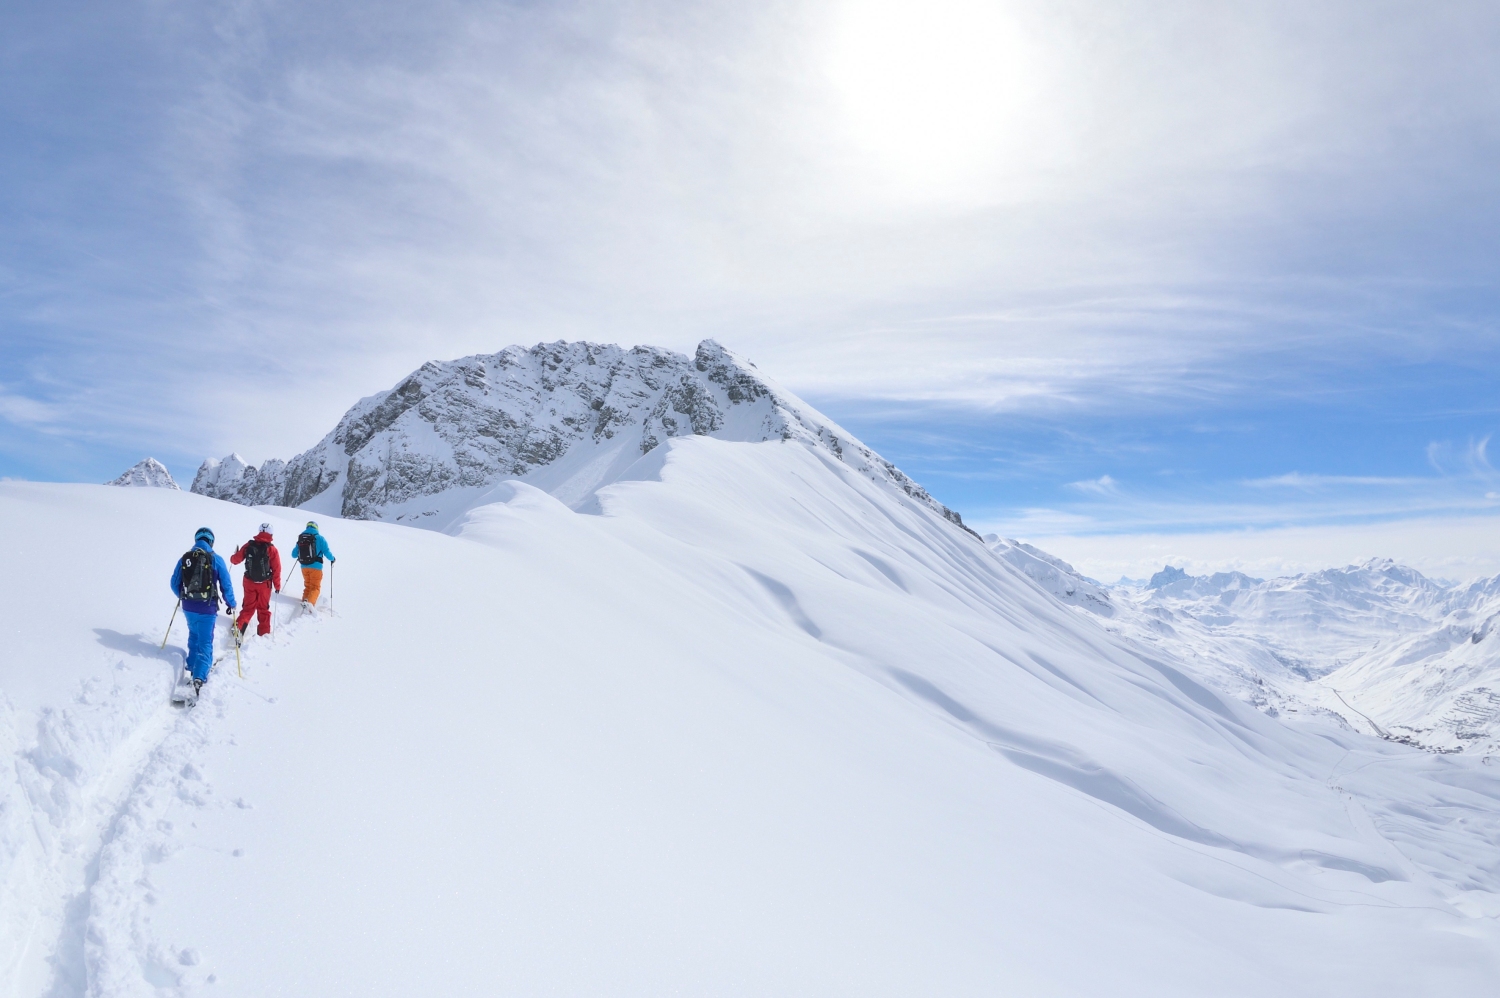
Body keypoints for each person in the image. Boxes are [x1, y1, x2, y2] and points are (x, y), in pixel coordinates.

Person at [169, 527, 237, 692]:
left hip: (188, 607)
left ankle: (192, 666)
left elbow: (173, 582)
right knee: (205, 643)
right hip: (207, 608)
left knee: (194, 636)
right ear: (211, 541)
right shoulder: (216, 559)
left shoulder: (185, 558)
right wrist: (231, 604)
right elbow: (226, 585)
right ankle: (199, 678)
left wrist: (183, 596)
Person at [230, 522, 282, 637]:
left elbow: (235, 560)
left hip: (249, 582)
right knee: (263, 610)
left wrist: (233, 556)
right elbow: (277, 569)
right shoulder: (272, 549)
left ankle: (238, 628)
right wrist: (277, 586)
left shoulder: (249, 545)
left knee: (248, 608)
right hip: (265, 584)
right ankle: (263, 635)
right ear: (271, 534)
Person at [292, 520, 336, 610]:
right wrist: (333, 559)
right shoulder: (320, 538)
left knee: (308, 586)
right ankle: (309, 605)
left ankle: (304, 601)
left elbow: (293, 554)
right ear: (316, 528)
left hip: (304, 566)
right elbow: (327, 552)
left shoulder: (301, 538)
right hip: (316, 567)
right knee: (315, 587)